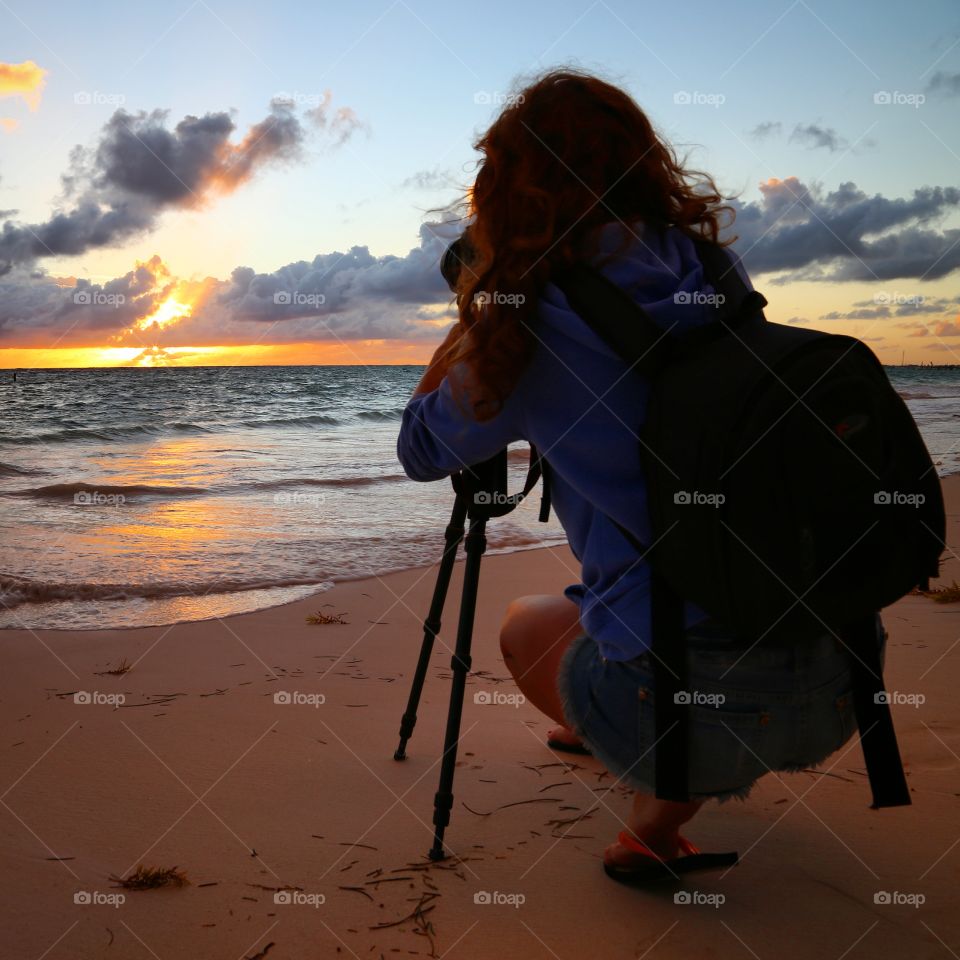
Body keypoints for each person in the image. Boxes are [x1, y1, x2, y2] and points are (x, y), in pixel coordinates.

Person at [396, 68, 885, 883]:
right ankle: (657, 775)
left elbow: (420, 451)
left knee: (525, 626)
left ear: (506, 189)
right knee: (639, 585)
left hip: (715, 717)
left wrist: (475, 321)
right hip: (843, 681)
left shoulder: (527, 318)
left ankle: (656, 804)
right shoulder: (712, 269)